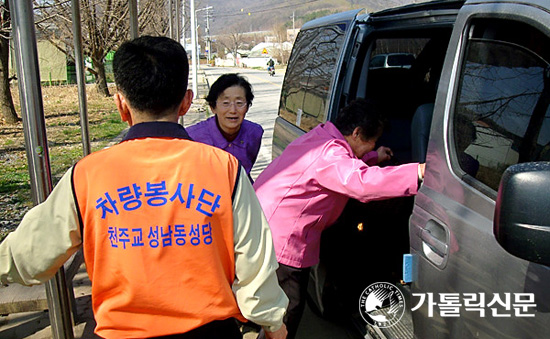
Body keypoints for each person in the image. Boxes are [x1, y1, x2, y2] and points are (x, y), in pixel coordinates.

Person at [0, 36, 288, 339]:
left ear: (121, 104)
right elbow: (256, 267)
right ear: (187, 102)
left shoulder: (86, 175)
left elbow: (28, 259)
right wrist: (273, 324)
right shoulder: (226, 170)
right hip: (210, 331)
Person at [253, 98, 425, 339]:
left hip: (266, 226)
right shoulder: (330, 153)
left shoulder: (322, 137)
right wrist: (416, 172)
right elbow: (360, 182)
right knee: (286, 312)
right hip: (283, 240)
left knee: (273, 308)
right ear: (356, 133)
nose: (372, 146)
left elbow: (342, 166)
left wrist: (373, 156)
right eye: (372, 141)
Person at [186, 74, 263, 179]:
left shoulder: (254, 133)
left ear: (247, 107)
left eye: (239, 103)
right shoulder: (192, 137)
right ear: (213, 107)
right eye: (226, 103)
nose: (233, 110)